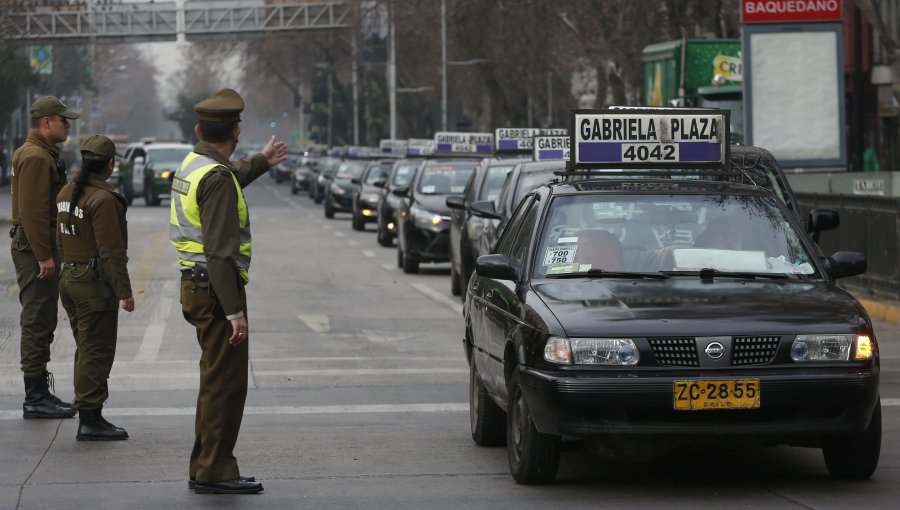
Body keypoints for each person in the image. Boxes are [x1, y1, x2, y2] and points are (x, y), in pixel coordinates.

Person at [170, 88, 287, 495]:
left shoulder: (195, 164)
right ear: (235, 132)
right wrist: (235, 312)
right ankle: (214, 470)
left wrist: (262, 162)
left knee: (214, 379)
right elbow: (221, 253)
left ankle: (205, 464)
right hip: (216, 289)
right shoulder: (216, 178)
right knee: (226, 384)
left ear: (199, 129)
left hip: (195, 285)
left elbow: (227, 175)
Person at [56, 135, 134, 441]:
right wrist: (124, 291)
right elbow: (111, 251)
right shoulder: (103, 200)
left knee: (86, 346)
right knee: (97, 349)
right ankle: (90, 418)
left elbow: (60, 236)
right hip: (93, 283)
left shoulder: (66, 192)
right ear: (110, 165)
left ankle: (90, 411)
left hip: (70, 278)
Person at [9, 96, 80, 419]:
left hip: (39, 245)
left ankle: (38, 392)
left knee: (43, 317)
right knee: (38, 319)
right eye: (63, 120)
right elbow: (34, 213)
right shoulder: (37, 156)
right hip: (36, 248)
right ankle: (35, 396)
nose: (68, 125)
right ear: (46, 122)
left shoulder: (40, 153)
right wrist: (43, 256)